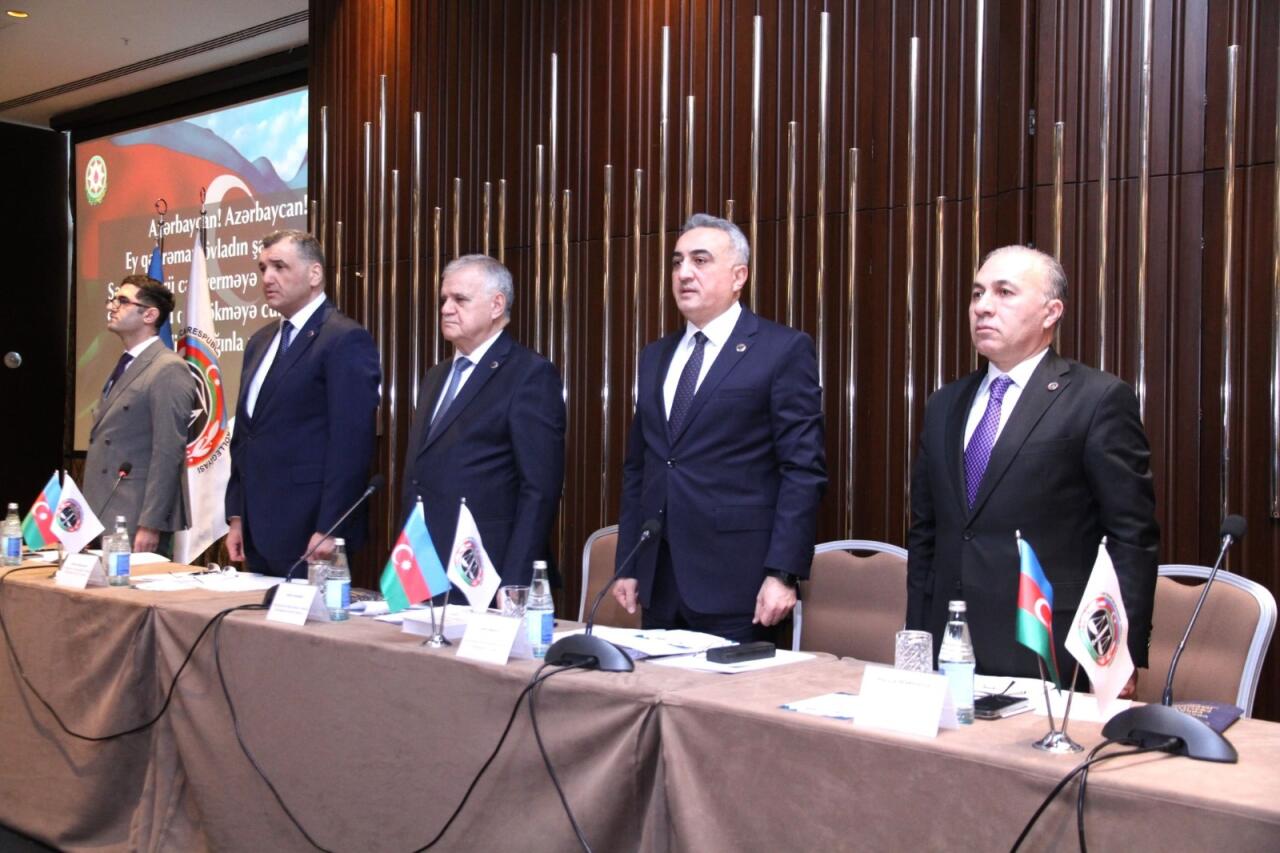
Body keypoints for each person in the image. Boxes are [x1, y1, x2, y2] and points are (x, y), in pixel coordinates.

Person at [906, 245, 1159, 688]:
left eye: (1004, 293)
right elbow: (926, 532)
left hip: (1048, 649)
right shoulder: (945, 403)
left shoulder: (1097, 399)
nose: (983, 307)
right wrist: (916, 639)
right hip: (948, 647)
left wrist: (1117, 653)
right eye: (978, 293)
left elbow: (1130, 537)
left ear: (1050, 312)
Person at [613, 214, 827, 643]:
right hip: (660, 582)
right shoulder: (655, 356)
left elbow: (802, 470)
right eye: (677, 262)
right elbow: (641, 466)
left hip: (740, 586)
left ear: (738, 276)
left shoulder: (782, 349)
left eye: (700, 260)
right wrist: (629, 564)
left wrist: (783, 573)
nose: (683, 273)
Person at [400, 255, 565, 593]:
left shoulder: (529, 375)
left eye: (460, 299)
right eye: (444, 299)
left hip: (487, 571)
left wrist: (516, 582)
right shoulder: (435, 376)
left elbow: (539, 490)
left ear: (496, 305)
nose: (446, 309)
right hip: (421, 564)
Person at [224, 230, 380, 576]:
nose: (267, 277)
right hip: (256, 529)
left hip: (311, 531)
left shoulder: (344, 338)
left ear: (314, 274)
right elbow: (246, 436)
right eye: (263, 268)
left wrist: (330, 527)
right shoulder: (260, 341)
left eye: (279, 266)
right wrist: (237, 515)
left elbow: (351, 444)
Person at [84, 275, 196, 554]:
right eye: (113, 299)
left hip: (135, 516)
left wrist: (151, 523)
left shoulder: (167, 368)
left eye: (123, 301)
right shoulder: (126, 364)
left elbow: (168, 451)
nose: (112, 306)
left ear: (150, 315)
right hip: (103, 510)